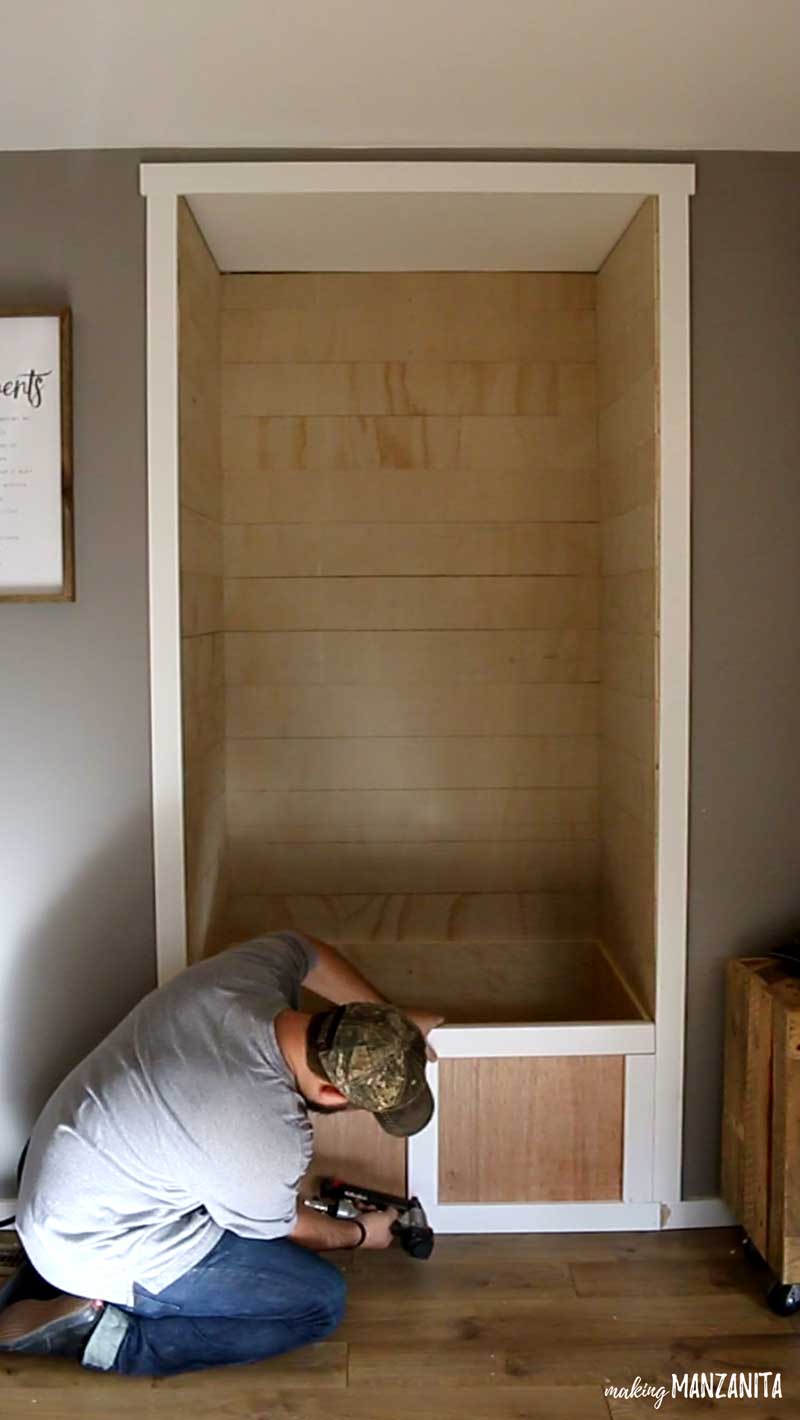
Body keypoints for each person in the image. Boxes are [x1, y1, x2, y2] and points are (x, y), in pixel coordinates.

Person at [0, 930, 443, 1376]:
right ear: (330, 1091)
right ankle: (108, 1336)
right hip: (91, 1243)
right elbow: (287, 1229)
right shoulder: (263, 1134)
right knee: (317, 1303)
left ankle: (44, 1284)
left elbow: (305, 949)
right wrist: (362, 1235)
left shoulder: (243, 977)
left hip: (61, 1167)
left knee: (225, 1198)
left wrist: (390, 1025)